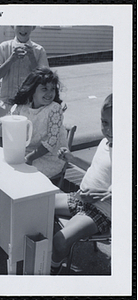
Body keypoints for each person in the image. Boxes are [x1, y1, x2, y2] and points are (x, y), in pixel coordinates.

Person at [51, 94, 112, 275]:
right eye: (105, 122)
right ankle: (50, 252)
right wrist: (72, 158)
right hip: (80, 198)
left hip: (102, 211)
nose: (109, 129)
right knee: (38, 204)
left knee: (60, 240)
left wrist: (105, 194)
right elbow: (93, 168)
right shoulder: (104, 143)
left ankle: (53, 268)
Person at [0, 67, 68, 178]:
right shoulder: (22, 107)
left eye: (52, 89)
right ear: (32, 90)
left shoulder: (54, 109)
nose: (49, 93)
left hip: (48, 158)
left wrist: (28, 158)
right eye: (44, 89)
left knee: (17, 175)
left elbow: (51, 143)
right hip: (26, 153)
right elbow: (2, 123)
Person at [0, 26, 49, 146]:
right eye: (19, 25)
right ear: (13, 26)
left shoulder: (39, 50)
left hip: (28, 105)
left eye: (27, 25)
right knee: (1, 142)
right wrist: (11, 59)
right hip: (6, 103)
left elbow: (44, 81)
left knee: (24, 141)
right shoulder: (4, 47)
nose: (23, 28)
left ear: (33, 27)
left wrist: (32, 59)